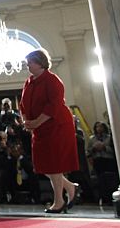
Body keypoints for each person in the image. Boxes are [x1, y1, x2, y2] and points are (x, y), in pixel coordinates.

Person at [19, 48, 79, 214]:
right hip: (39, 128)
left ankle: (59, 201)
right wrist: (26, 120)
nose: (28, 65)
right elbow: (23, 104)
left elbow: (54, 104)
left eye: (30, 62)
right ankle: (70, 187)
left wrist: (37, 122)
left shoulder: (52, 80)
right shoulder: (29, 82)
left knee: (54, 163)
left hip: (56, 126)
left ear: (40, 63)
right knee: (43, 164)